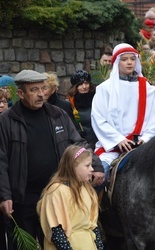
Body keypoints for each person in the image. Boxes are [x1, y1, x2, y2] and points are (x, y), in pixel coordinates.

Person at [0, 69, 104, 249]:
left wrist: (96, 165)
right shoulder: (7, 121)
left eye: (43, 88)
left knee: (57, 244)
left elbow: (78, 142)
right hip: (23, 198)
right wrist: (5, 195)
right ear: (21, 93)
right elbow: (1, 160)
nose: (41, 94)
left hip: (57, 195)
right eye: (34, 90)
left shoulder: (57, 114)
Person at [91, 43, 155, 184]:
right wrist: (119, 140)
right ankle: (94, 205)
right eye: (124, 59)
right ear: (117, 62)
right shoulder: (105, 89)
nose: (129, 62)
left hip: (141, 146)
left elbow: (154, 119)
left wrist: (146, 138)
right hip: (112, 148)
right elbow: (98, 119)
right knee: (99, 176)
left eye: (132, 59)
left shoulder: (147, 88)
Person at [37, 145, 103, 250]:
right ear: (73, 166)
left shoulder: (87, 189)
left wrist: (99, 247)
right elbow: (56, 231)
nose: (92, 169)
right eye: (87, 165)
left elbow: (93, 226)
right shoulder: (56, 191)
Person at [68, 70, 98, 148]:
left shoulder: (97, 98)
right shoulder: (70, 103)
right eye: (80, 84)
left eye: (86, 83)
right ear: (75, 87)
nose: (84, 87)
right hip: (82, 143)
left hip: (99, 139)